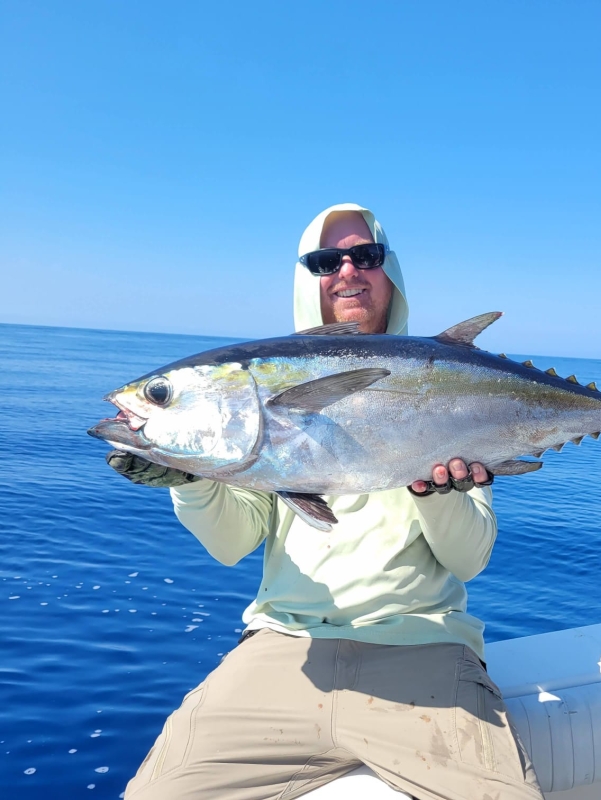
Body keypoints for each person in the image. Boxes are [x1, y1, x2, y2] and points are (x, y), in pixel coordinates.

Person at [111, 203, 543, 800]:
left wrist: (439, 496)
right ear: (307, 280)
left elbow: (469, 561)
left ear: (390, 272)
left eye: (365, 256)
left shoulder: (448, 382)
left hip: (423, 652)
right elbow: (233, 544)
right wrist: (189, 479)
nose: (346, 271)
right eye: (325, 260)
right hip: (282, 652)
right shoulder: (261, 395)